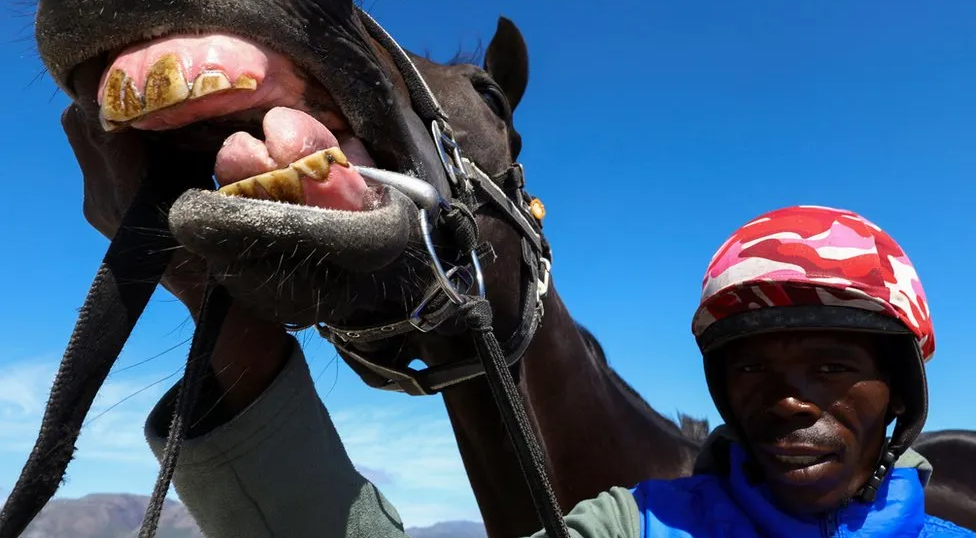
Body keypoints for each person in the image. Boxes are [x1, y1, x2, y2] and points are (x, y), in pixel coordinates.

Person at [142, 205, 975, 537]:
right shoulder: (638, 526)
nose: (789, 400)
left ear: (899, 387)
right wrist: (237, 342)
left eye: (832, 364)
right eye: (753, 371)